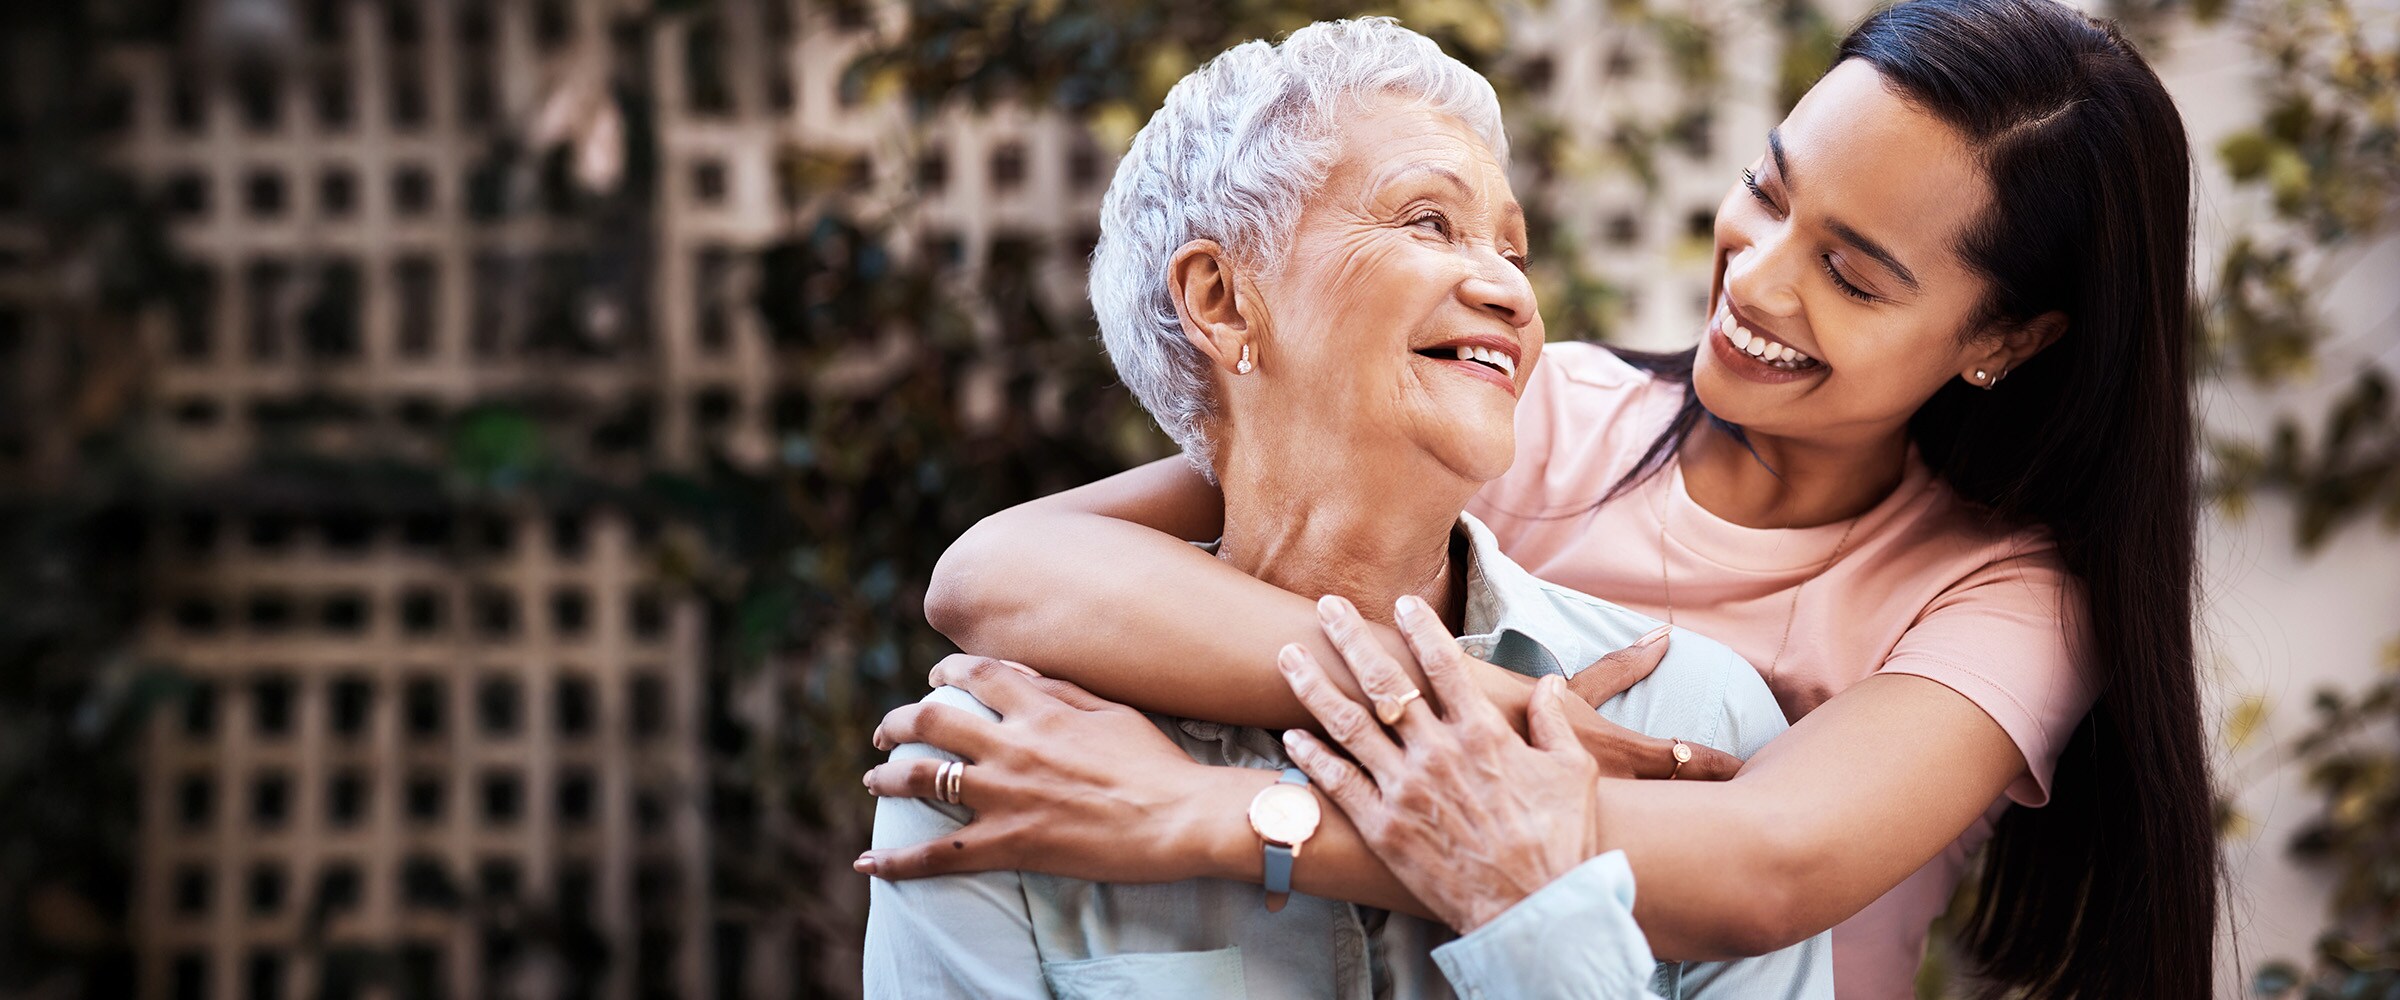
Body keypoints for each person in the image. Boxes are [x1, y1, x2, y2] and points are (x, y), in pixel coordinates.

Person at [877, 0, 2220, 997]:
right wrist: (1501, 708)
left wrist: (1220, 821)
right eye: (1766, 192)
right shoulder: (1542, 410)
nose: (1757, 282)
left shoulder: (2003, 599)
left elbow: (1759, 865)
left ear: (2004, 340)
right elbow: (1007, 571)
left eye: (1856, 277)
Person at [859, 18, 1832, 999]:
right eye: (1427, 221)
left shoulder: (1689, 721)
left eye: (1513, 248)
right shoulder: (999, 757)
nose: (1509, 289)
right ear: (1224, 301)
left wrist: (1521, 903)